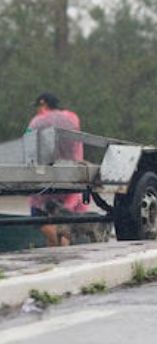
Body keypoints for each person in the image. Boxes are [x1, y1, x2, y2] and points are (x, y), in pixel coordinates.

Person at [26, 93, 87, 247]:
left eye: (38, 107)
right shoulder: (72, 118)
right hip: (71, 180)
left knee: (45, 224)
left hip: (45, 181)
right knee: (64, 227)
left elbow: (29, 145)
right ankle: (62, 260)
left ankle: (56, 252)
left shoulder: (38, 121)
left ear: (43, 104)